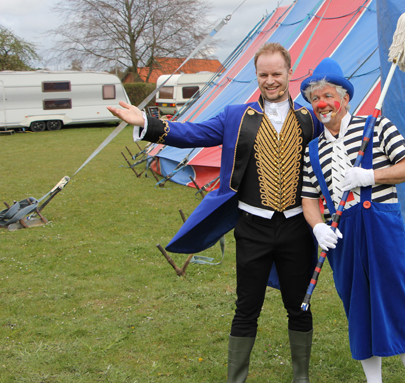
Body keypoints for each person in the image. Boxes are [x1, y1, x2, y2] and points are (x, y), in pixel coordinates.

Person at [107, 42, 324, 383]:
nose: (270, 81)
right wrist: (147, 123)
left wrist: (382, 149)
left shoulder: (310, 118)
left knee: (299, 305)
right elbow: (192, 133)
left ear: (290, 72)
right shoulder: (236, 116)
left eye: (276, 73)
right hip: (252, 229)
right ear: (256, 75)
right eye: (263, 74)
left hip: (297, 229)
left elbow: (342, 143)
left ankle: (302, 378)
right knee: (246, 309)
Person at [300, 58, 405, 383]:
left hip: (382, 228)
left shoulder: (378, 126)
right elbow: (309, 198)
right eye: (315, 99)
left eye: (327, 95)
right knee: (358, 310)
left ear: (345, 98)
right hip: (342, 236)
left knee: (398, 303)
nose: (321, 104)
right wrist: (317, 227)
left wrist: (370, 175)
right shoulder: (311, 150)